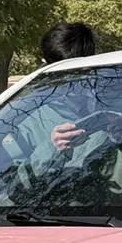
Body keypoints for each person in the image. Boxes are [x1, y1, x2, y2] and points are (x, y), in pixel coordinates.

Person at [40, 22, 97, 152]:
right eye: (61, 74)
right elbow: (12, 165)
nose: (71, 82)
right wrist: (51, 149)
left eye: (80, 72)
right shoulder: (28, 115)